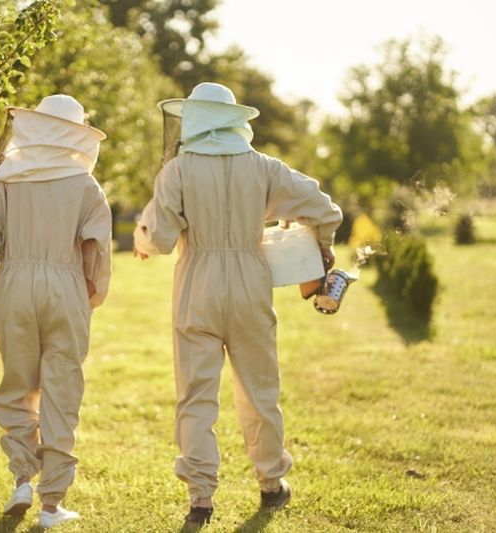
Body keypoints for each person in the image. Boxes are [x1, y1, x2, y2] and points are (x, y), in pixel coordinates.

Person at [133, 82, 342, 526]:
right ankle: (271, 484)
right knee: (259, 389)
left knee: (195, 395)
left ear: (194, 118)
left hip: (198, 285)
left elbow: (161, 239)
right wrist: (321, 250)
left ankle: (201, 497)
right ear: (232, 119)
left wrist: (141, 240)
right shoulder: (263, 167)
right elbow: (325, 210)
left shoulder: (178, 170)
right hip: (251, 281)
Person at [0, 94, 112, 529]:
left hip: (13, 285)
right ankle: (51, 505)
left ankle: (23, 479)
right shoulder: (85, 184)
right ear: (76, 133)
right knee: (61, 391)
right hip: (65, 286)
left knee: (17, 386)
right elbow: (95, 254)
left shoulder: (2, 179)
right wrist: (88, 297)